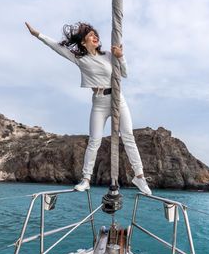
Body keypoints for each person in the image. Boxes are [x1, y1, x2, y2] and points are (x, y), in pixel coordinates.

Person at [25, 21, 151, 195]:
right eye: (91, 35)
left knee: (128, 136)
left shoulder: (108, 55)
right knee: (94, 141)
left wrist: (120, 56)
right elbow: (56, 47)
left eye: (95, 34)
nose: (95, 36)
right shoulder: (80, 59)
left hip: (117, 98)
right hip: (99, 102)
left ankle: (139, 176)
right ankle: (86, 179)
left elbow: (125, 73)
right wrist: (37, 34)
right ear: (83, 42)